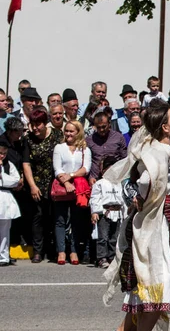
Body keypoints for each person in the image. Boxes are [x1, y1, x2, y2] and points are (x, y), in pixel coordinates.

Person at [104, 100, 170, 331]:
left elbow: (133, 182)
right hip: (159, 221)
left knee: (148, 283)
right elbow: (143, 182)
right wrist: (143, 198)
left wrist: (137, 199)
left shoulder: (151, 149)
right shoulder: (166, 153)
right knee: (158, 284)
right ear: (165, 126)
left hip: (154, 219)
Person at [23, 107, 63, 263]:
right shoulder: (28, 139)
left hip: (54, 183)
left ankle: (53, 249)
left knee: (54, 217)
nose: (35, 128)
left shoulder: (57, 136)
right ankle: (38, 251)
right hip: (37, 184)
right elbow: (26, 164)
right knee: (38, 217)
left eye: (38, 124)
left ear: (45, 123)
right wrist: (32, 186)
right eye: (33, 124)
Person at [52, 121, 92, 265]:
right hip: (62, 187)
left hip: (78, 189)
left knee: (76, 220)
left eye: (71, 131)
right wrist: (66, 182)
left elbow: (85, 168)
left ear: (78, 132)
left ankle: (74, 251)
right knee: (60, 220)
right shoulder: (59, 147)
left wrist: (72, 176)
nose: (68, 134)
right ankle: (61, 251)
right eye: (66, 131)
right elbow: (57, 168)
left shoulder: (85, 149)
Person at [90, 156, 126, 269]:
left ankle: (112, 256)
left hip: (117, 212)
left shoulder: (120, 183)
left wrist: (125, 212)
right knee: (103, 237)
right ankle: (101, 258)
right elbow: (95, 197)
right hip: (105, 212)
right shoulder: (100, 183)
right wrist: (95, 211)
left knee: (114, 237)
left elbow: (123, 199)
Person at [86, 111, 127, 186]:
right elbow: (87, 161)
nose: (101, 130)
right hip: (96, 180)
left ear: (109, 123)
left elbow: (124, 158)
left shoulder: (118, 137)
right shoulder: (89, 140)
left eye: (104, 126)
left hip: (115, 178)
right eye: (98, 127)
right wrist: (90, 177)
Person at [0, 141, 21, 266]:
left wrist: (2, 176)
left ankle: (3, 256)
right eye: (0, 153)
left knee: (4, 230)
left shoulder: (9, 165)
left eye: (4, 153)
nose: (2, 156)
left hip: (5, 198)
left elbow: (15, 180)